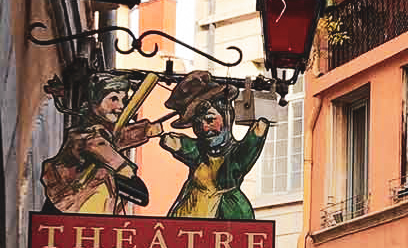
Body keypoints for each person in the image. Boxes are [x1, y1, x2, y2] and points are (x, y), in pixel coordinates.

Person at [41, 73, 161, 214]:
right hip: (68, 205)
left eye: (124, 100)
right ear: (96, 101)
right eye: (113, 99)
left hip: (91, 210)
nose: (121, 106)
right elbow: (96, 144)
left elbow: (118, 138)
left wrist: (145, 130)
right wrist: (124, 169)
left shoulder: (106, 132)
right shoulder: (86, 132)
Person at [159, 71, 268, 219]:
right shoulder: (199, 152)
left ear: (226, 116)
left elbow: (246, 151)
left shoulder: (234, 155)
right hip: (185, 224)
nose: (204, 128)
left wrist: (256, 135)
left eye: (210, 120)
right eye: (197, 123)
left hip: (223, 226)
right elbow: (183, 146)